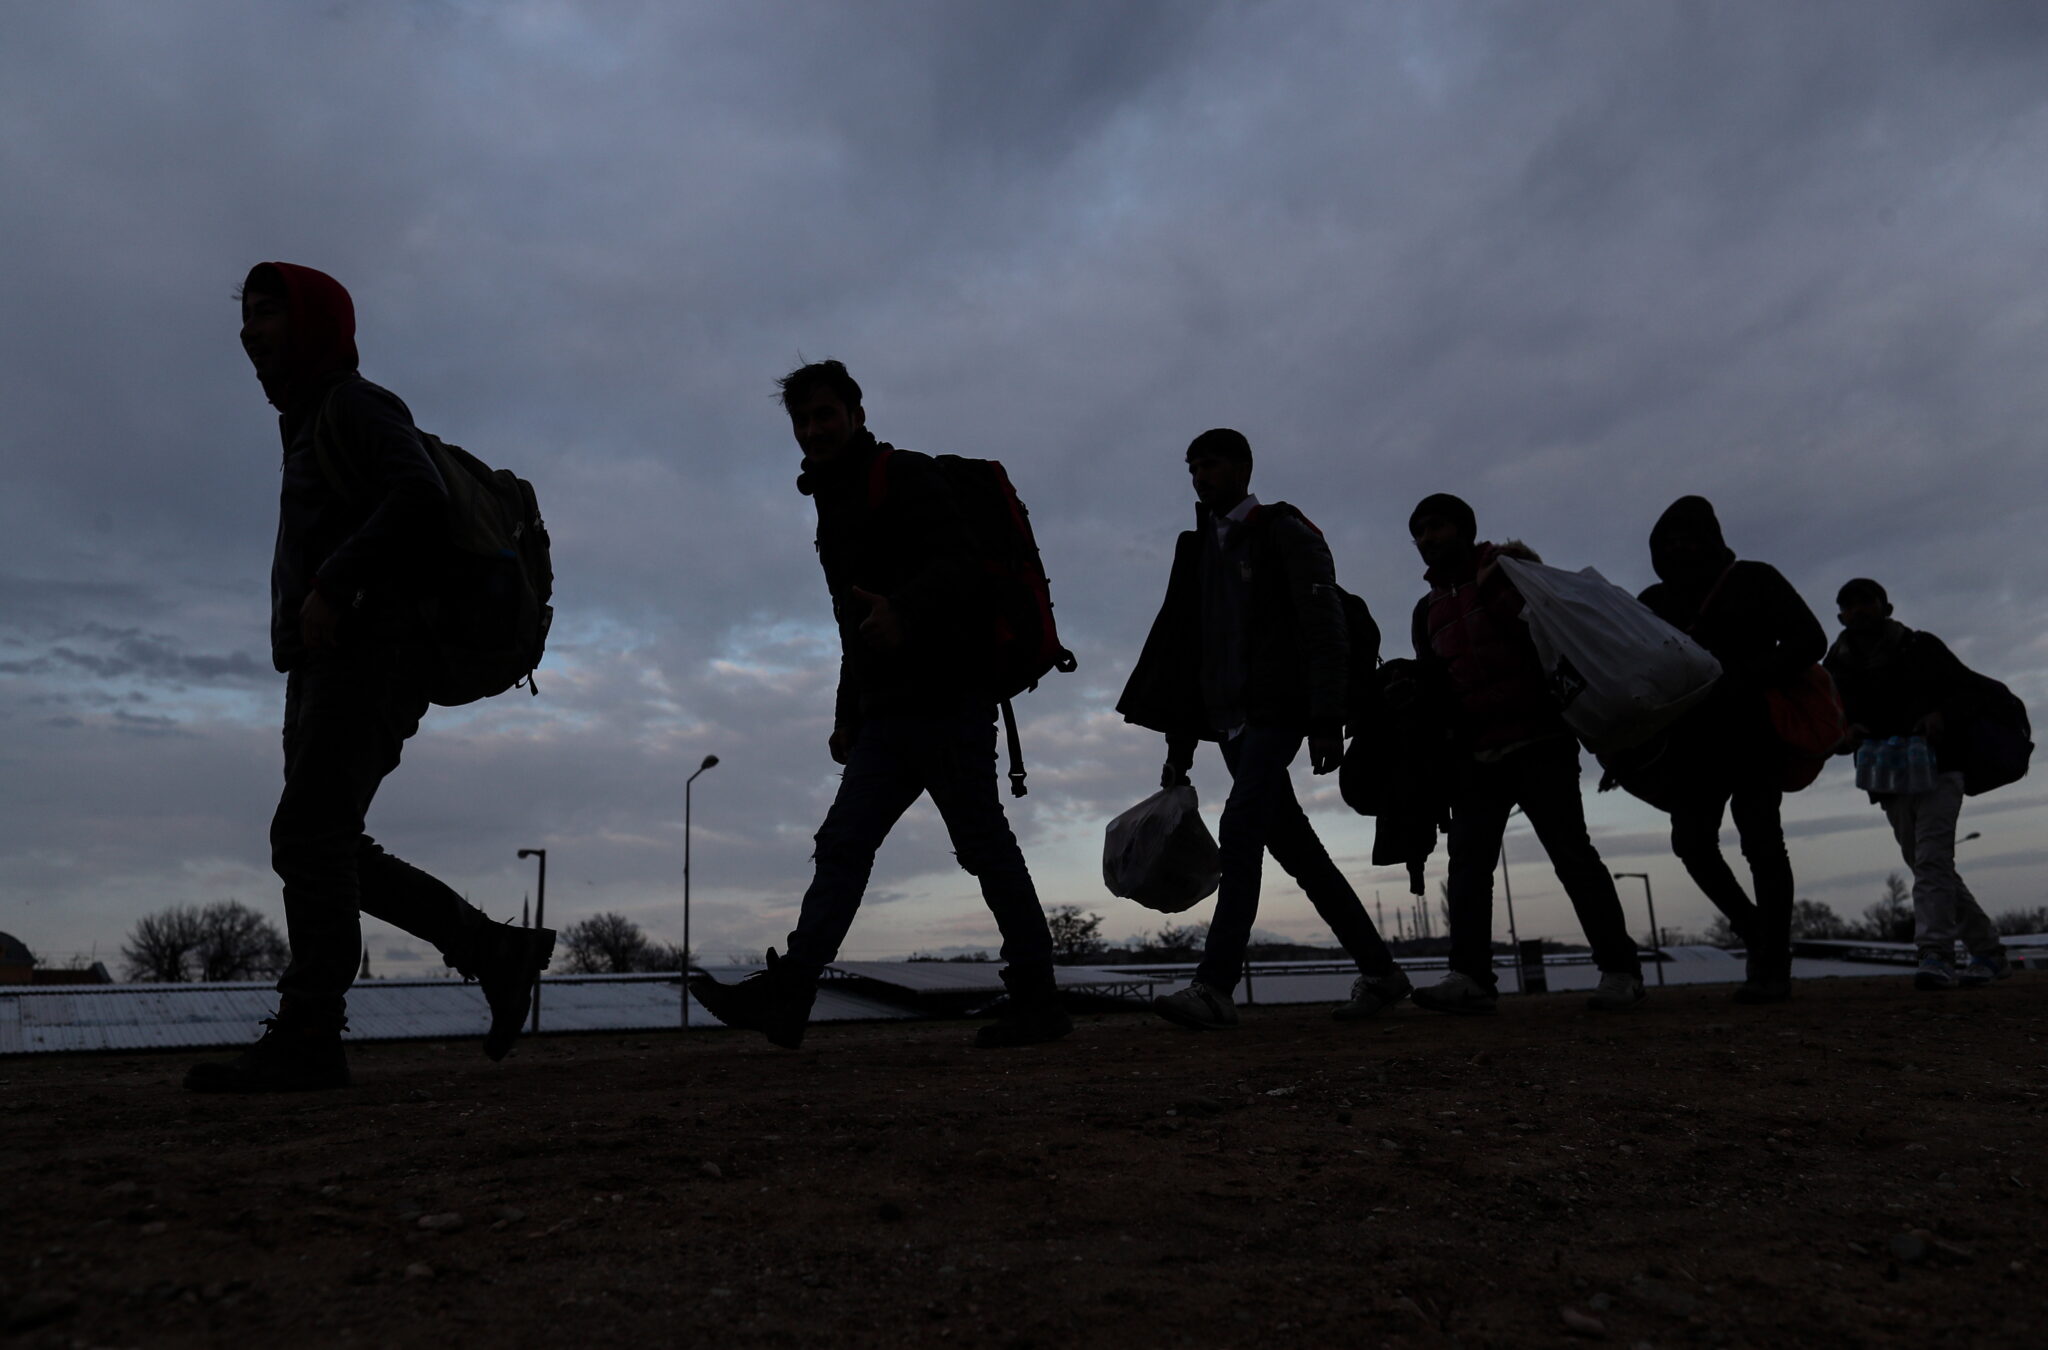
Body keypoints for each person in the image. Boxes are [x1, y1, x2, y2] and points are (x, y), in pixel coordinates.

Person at [186, 263, 554, 1094]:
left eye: (269, 313)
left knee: (309, 838)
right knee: (326, 843)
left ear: (314, 324)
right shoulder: (311, 421)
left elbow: (418, 495)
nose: (249, 330)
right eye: (246, 315)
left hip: (371, 652)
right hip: (327, 659)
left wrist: (334, 583)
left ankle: (311, 1033)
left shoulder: (354, 405)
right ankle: (494, 950)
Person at [690, 361, 1069, 1050]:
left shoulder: (905, 473)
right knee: (843, 845)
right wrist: (848, 712)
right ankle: (791, 994)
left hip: (948, 697)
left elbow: (960, 565)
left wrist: (906, 611)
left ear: (856, 415)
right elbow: (853, 621)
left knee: (982, 845)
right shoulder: (833, 503)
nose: (813, 430)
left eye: (825, 415)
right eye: (802, 421)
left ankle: (1038, 999)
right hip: (888, 711)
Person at [1118, 428, 1407, 1029]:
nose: (1200, 477)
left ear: (1244, 468)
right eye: (1193, 468)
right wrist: (1179, 748)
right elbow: (1186, 652)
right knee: (1300, 852)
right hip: (1228, 722)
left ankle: (1214, 986)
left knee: (1241, 829)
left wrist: (1326, 718)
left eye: (1211, 464)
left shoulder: (1285, 532)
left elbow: (1324, 626)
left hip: (1276, 713)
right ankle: (1382, 973)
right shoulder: (1197, 548)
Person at [1404, 494, 1645, 1014]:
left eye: (1437, 526)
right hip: (1477, 755)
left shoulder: (1510, 575)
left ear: (1465, 529)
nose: (1427, 539)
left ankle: (1620, 971)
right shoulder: (1427, 612)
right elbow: (1438, 686)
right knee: (1468, 866)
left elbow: (1559, 639)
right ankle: (1470, 977)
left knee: (1572, 857)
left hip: (1541, 742)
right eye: (1419, 532)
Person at [1636, 496, 1825, 1004]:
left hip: (1754, 731)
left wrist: (1745, 677)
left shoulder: (1754, 579)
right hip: (1689, 743)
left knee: (1762, 841)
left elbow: (1810, 639)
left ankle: (1773, 961)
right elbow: (1633, 673)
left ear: (1712, 538)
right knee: (1692, 843)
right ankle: (1758, 934)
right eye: (1670, 540)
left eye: (1690, 537)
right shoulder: (1652, 600)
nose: (1680, 547)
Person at [1825, 578, 2011, 990]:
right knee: (1929, 864)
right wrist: (1845, 734)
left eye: (1866, 601)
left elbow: (1970, 693)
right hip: (1888, 779)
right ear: (1840, 616)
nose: (1858, 610)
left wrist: (1941, 715)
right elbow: (1828, 725)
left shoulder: (1920, 647)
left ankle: (1936, 953)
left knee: (1930, 861)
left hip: (1940, 768)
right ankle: (1989, 953)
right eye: (1850, 605)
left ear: (1886, 607)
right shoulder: (1835, 666)